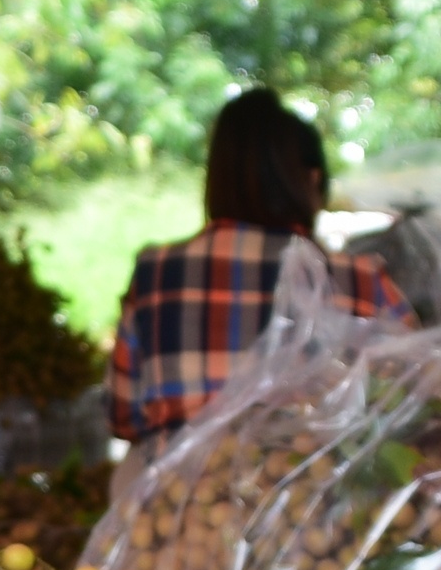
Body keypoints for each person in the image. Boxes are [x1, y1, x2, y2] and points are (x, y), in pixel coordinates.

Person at [106, 87, 412, 441]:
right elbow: (416, 405)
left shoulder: (155, 274)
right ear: (312, 181)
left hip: (185, 493)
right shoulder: (362, 281)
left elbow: (123, 417)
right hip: (321, 492)